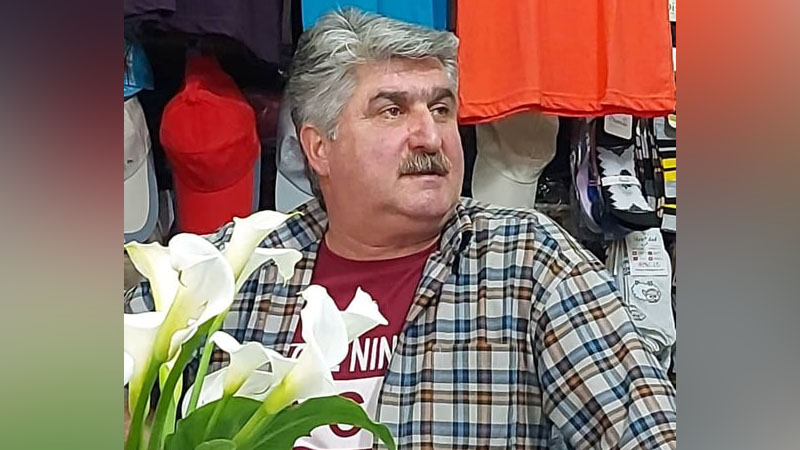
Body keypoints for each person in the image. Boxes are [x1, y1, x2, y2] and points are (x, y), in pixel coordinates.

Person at [126, 8, 677, 450]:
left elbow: (651, 433)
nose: (430, 137)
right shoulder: (238, 267)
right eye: (392, 111)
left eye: (441, 109)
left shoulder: (529, 262)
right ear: (319, 147)